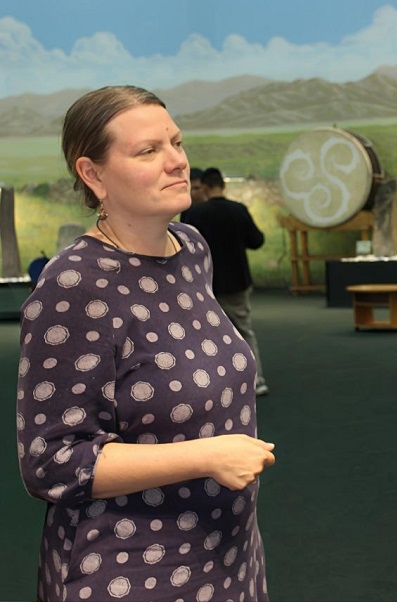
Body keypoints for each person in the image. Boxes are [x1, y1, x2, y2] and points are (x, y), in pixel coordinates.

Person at [16, 85, 275, 602]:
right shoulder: (76, 285)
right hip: (129, 572)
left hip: (229, 556)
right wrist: (206, 455)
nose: (177, 161)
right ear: (93, 175)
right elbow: (51, 461)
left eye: (176, 142)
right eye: (148, 151)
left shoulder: (191, 248)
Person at [181, 167, 269, 396]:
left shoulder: (194, 214)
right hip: (237, 281)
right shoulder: (238, 210)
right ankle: (257, 380)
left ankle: (212, 385)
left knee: (205, 336)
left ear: (205, 187)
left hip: (203, 283)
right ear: (223, 184)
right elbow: (256, 240)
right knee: (244, 331)